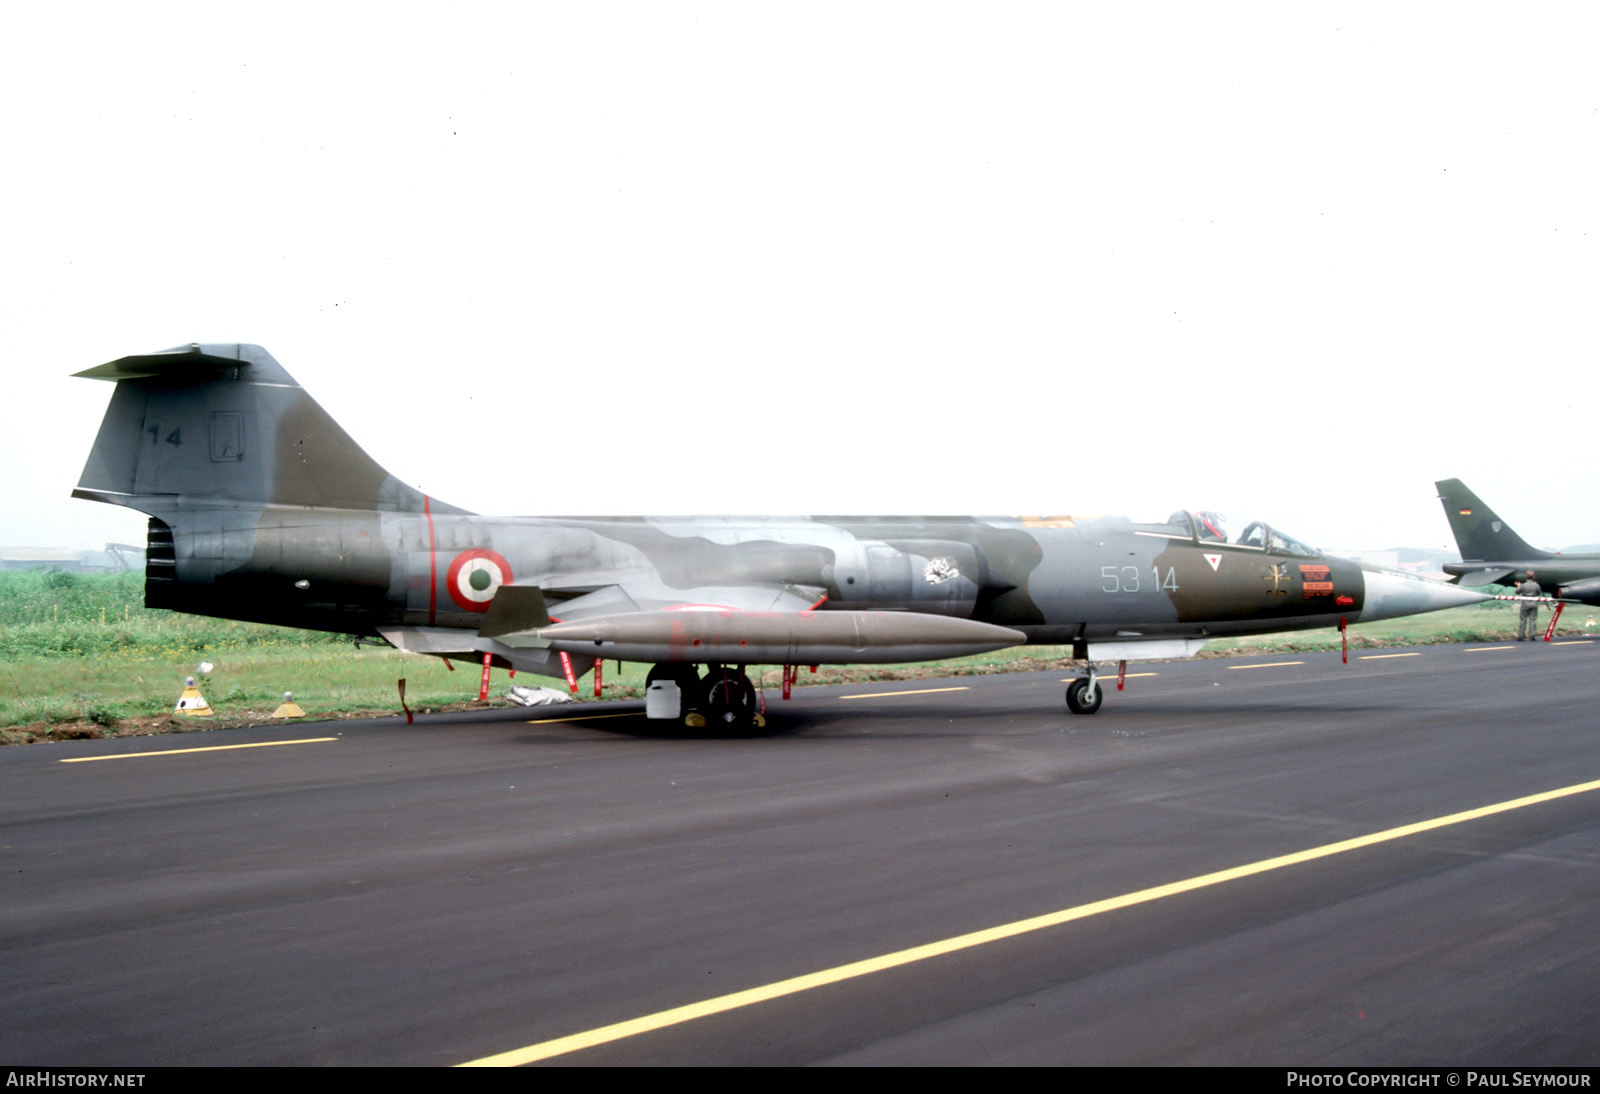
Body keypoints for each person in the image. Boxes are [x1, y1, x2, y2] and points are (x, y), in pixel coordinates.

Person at [1516, 570, 1542, 641]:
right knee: (1533, 620)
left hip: (1525, 604)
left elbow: (1517, 592)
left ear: (1526, 577)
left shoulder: (1524, 585)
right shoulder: (1536, 585)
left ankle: (1521, 636)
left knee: (1523, 620)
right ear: (1534, 577)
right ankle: (1532, 635)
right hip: (1534, 604)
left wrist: (1519, 586)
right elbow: (1539, 593)